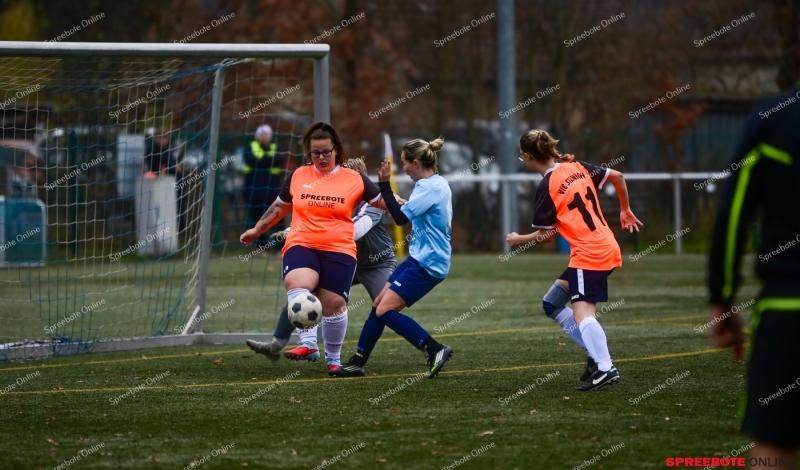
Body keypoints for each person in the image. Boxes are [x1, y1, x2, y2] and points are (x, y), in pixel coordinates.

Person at [239, 122, 392, 372]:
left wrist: (403, 199)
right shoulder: (299, 175)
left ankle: (333, 361)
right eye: (315, 153)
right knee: (298, 286)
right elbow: (279, 206)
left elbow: (382, 202)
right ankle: (307, 343)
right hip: (302, 242)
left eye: (326, 152)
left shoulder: (354, 178)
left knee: (332, 304)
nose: (321, 157)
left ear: (337, 150)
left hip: (339, 248)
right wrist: (258, 230)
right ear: (309, 153)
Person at [707, 87, 800, 468]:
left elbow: (733, 216)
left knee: (773, 445)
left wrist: (722, 296)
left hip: (787, 309)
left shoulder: (775, 118)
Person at [507, 130, 642, 391]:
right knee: (552, 303)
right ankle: (596, 356)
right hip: (605, 246)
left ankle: (605, 368)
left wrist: (517, 239)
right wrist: (625, 210)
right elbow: (618, 176)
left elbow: (546, 236)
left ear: (527, 156)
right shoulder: (576, 166)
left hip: (588, 253)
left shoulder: (547, 185)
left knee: (583, 315)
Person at [332, 138, 454, 379]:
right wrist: (396, 199)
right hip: (420, 258)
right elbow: (414, 211)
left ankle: (435, 349)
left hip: (428, 264)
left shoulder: (427, 187)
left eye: (404, 163)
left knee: (385, 311)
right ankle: (358, 361)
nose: (403, 168)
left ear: (416, 163)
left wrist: (384, 186)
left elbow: (400, 219)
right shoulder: (437, 183)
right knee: (379, 304)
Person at [242, 124, 286, 249]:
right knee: (257, 218)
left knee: (277, 217)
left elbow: (279, 160)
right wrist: (267, 160)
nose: (265, 137)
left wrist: (264, 160)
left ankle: (280, 247)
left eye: (267, 134)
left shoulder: (275, 147)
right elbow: (252, 161)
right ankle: (261, 247)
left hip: (273, 190)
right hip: (253, 191)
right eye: (262, 134)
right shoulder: (250, 147)